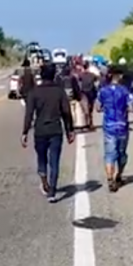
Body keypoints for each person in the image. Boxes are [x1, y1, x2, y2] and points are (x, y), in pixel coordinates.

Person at [22, 63, 75, 203]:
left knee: (41, 158)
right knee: (54, 161)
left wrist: (25, 132)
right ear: (53, 75)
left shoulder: (34, 92)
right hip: (56, 130)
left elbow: (29, 114)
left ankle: (45, 182)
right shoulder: (59, 92)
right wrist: (70, 130)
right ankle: (52, 192)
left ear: (41, 75)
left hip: (40, 131)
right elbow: (66, 113)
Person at [96, 65, 133, 192]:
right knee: (122, 154)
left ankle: (110, 179)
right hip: (122, 125)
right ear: (120, 76)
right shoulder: (125, 90)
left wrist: (106, 107)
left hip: (109, 125)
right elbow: (132, 107)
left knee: (109, 154)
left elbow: (97, 107)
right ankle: (119, 175)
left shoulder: (103, 91)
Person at [78, 61, 99, 131]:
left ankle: (87, 123)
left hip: (84, 93)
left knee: (85, 110)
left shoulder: (81, 75)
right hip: (91, 93)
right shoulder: (92, 75)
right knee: (90, 110)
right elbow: (97, 79)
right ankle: (90, 123)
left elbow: (79, 81)